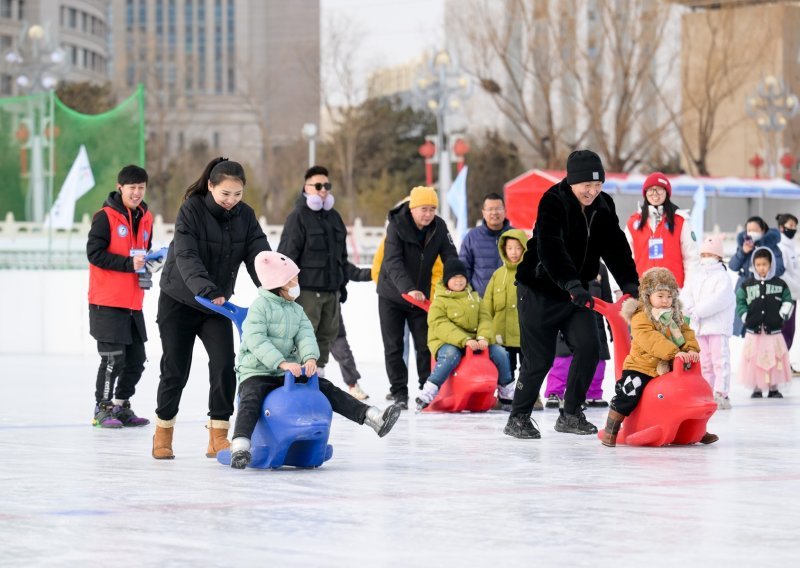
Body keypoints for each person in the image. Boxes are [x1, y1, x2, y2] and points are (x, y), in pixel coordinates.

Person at [505, 149, 640, 440]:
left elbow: (615, 246)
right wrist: (571, 282)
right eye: (586, 186)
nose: (592, 191)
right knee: (538, 359)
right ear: (572, 181)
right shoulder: (553, 201)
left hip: (574, 293)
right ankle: (518, 417)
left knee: (589, 347)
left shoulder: (604, 205)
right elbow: (551, 248)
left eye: (598, 185)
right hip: (539, 290)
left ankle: (571, 413)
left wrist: (630, 283)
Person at [229, 252, 400, 469]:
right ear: (278, 284)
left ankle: (373, 417)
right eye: (293, 281)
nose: (297, 285)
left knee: (326, 387)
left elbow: (306, 336)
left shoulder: (296, 309)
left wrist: (309, 358)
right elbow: (256, 340)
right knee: (251, 399)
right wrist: (281, 362)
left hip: (287, 372)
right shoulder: (260, 307)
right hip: (257, 371)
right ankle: (241, 447)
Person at [152, 157, 271, 460]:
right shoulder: (191, 209)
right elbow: (186, 256)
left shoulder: (245, 216)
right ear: (211, 187)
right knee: (175, 369)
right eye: (225, 194)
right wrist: (207, 289)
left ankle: (218, 435)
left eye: (237, 194)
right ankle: (163, 432)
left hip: (216, 306)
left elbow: (259, 254)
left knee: (223, 364)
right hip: (179, 300)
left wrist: (274, 287)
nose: (231, 201)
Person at [600, 268, 717, 447]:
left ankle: (694, 429)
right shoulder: (641, 316)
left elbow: (686, 332)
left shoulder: (675, 316)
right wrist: (674, 352)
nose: (665, 301)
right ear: (648, 296)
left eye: (669, 297)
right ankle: (612, 428)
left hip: (669, 366)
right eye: (660, 296)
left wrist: (690, 348)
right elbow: (651, 340)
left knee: (684, 392)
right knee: (629, 393)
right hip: (642, 366)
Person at [278, 165, 364, 387]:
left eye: (326, 186)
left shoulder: (334, 218)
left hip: (331, 293)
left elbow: (340, 257)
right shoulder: (297, 217)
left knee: (325, 338)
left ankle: (318, 378)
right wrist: (286, 290)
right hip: (307, 292)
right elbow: (287, 257)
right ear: (306, 188)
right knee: (304, 338)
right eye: (317, 186)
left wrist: (343, 284)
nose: (323, 190)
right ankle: (297, 381)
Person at [376, 186, 458, 409]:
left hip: (420, 297)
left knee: (424, 345)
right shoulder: (396, 226)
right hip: (392, 294)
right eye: (424, 209)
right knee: (393, 346)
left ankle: (426, 387)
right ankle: (399, 392)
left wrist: (455, 278)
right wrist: (408, 288)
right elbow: (392, 261)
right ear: (413, 209)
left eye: (432, 209)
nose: (428, 214)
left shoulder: (439, 227)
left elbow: (450, 255)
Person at [86, 165, 155, 428]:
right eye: (132, 188)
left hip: (133, 302)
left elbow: (142, 253)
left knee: (136, 360)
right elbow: (94, 253)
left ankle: (121, 404)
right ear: (120, 188)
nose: (137, 193)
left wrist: (151, 263)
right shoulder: (105, 217)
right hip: (106, 301)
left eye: (141, 187)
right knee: (113, 358)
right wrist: (129, 264)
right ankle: (101, 408)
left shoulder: (146, 218)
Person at [416, 258, 514, 412]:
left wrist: (483, 337)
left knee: (500, 353)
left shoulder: (474, 297)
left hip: (475, 340)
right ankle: (429, 391)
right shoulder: (440, 301)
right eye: (454, 277)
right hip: (447, 341)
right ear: (447, 280)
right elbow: (440, 325)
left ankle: (507, 393)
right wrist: (464, 340)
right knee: (450, 355)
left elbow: (485, 318)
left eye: (462, 277)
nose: (459, 281)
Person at [544, 263, 613, 409]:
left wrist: (612, 326)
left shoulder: (600, 268)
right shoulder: (565, 263)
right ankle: (555, 393)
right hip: (568, 319)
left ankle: (593, 393)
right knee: (563, 361)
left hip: (596, 323)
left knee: (598, 361)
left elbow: (607, 298)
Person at [681, 235, 735, 409]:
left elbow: (719, 300)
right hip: (700, 328)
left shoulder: (722, 277)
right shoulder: (697, 275)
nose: (706, 259)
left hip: (717, 327)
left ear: (718, 256)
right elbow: (686, 293)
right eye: (703, 255)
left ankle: (721, 393)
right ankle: (706, 391)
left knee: (720, 361)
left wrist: (697, 311)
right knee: (704, 363)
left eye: (710, 255)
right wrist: (688, 308)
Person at [736, 247, 793, 399]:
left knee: (774, 358)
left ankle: (774, 387)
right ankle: (757, 387)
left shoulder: (780, 284)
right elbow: (740, 302)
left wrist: (783, 313)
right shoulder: (747, 285)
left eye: (765, 264)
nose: (761, 268)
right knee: (755, 359)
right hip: (754, 332)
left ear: (771, 265)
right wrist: (745, 315)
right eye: (758, 264)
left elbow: (788, 300)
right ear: (754, 265)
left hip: (773, 331)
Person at [625, 172, 697, 288]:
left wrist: (689, 290)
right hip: (643, 290)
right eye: (650, 190)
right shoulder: (633, 223)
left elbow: (691, 258)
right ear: (645, 193)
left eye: (659, 189)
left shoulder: (680, 221)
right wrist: (626, 286)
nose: (655, 194)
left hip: (673, 291)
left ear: (667, 192)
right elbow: (625, 259)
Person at [728, 216, 784, 336]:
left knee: (762, 330)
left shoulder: (772, 247)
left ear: (763, 231)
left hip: (765, 291)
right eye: (749, 230)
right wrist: (743, 252)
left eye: (755, 230)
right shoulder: (744, 244)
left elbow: (780, 269)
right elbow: (733, 266)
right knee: (744, 331)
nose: (751, 233)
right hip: (744, 289)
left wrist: (765, 260)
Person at [329, 262, 374, 400]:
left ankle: (353, 385)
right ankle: (308, 387)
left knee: (343, 351)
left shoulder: (335, 256)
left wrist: (381, 269)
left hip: (332, 312)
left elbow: (357, 273)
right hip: (309, 311)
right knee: (309, 353)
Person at [458, 192, 512, 296]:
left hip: (509, 301)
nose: (494, 212)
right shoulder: (472, 237)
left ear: (505, 211)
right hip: (481, 301)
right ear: (483, 212)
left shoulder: (515, 236)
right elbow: (463, 268)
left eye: (498, 209)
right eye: (490, 209)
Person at [775, 214, 800, 355]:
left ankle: (783, 361)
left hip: (793, 295)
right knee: (784, 331)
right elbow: (781, 273)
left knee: (790, 331)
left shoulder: (792, 248)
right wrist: (795, 287)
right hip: (785, 296)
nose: (794, 228)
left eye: (795, 226)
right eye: (791, 225)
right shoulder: (780, 247)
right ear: (781, 227)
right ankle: (779, 362)